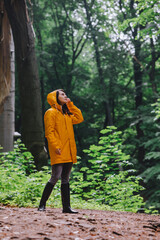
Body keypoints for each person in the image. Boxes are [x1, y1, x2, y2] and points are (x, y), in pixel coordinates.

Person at [38, 89, 84, 213]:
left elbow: (79, 118)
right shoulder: (50, 112)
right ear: (55, 97)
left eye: (65, 94)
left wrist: (71, 105)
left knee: (66, 178)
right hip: (58, 149)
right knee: (55, 176)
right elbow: (49, 132)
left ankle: (66, 207)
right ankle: (42, 205)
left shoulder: (67, 114)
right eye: (62, 94)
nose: (65, 95)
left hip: (69, 150)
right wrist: (55, 146)